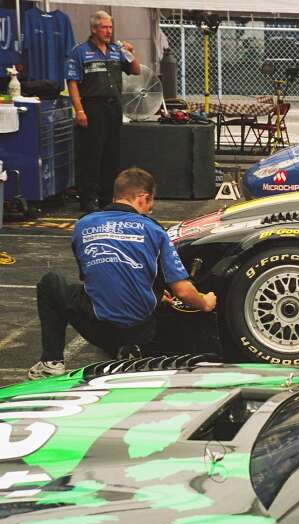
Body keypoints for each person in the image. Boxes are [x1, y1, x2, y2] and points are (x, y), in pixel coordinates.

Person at [28, 168, 217, 380]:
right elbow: (183, 292)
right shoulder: (154, 230)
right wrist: (205, 302)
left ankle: (51, 361)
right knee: (167, 292)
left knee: (51, 282)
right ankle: (130, 348)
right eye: (150, 205)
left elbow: (94, 275)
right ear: (143, 198)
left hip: (97, 328)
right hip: (141, 332)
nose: (150, 211)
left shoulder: (83, 225)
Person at [66, 10, 140, 212]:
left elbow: (136, 70)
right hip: (92, 108)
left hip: (113, 107)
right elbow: (72, 83)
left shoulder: (117, 49)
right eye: (105, 27)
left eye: (110, 27)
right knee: (92, 155)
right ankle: (88, 199)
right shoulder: (79, 51)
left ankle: (108, 198)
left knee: (111, 154)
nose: (109, 31)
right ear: (94, 29)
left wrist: (131, 52)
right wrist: (79, 110)